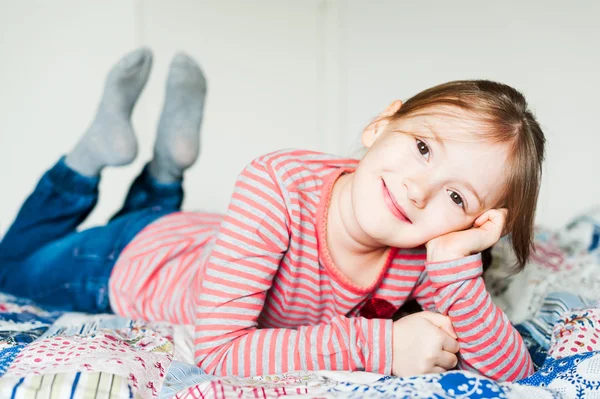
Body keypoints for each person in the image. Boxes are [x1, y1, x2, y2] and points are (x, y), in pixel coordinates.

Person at [0, 48, 545, 381]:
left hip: (206, 240)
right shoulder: (278, 180)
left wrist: (454, 264)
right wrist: (377, 345)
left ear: (475, 225)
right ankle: (92, 157)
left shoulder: (429, 248)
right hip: (131, 262)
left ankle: (166, 170)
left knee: (144, 216)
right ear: (381, 125)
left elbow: (515, 371)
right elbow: (217, 351)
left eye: (458, 199)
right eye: (424, 147)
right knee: (13, 264)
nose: (420, 189)